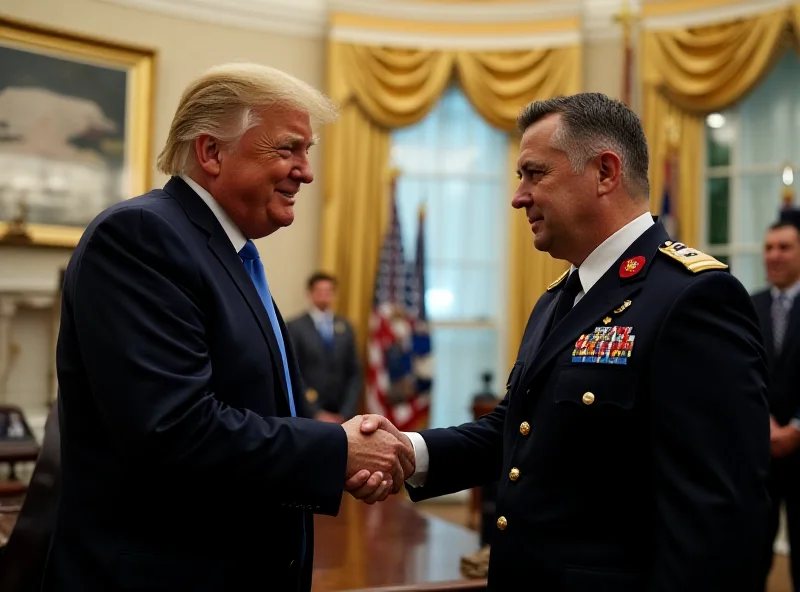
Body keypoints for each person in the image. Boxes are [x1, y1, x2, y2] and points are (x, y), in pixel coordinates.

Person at [361, 93, 771, 591]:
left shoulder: (693, 297)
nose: (519, 196)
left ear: (604, 172)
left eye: (536, 174)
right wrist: (408, 450)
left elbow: (719, 519)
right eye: (519, 177)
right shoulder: (561, 298)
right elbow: (513, 430)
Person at [44, 63, 413, 592]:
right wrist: (336, 449)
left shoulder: (232, 255)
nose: (306, 172)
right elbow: (174, 427)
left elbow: (267, 407)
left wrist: (344, 458)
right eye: (288, 149)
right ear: (211, 152)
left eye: (307, 151)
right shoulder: (141, 237)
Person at [752, 219, 800, 591]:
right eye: (768, 248)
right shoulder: (748, 306)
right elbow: (737, 374)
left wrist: (797, 428)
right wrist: (761, 421)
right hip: (757, 456)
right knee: (750, 556)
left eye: (784, 247)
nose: (774, 256)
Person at [287, 272, 362, 423]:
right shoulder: (295, 327)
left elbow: (354, 373)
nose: (324, 295)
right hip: (308, 413)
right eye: (319, 291)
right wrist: (315, 412)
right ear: (310, 293)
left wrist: (345, 412)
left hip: (341, 414)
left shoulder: (345, 326)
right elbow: (293, 373)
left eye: (329, 291)